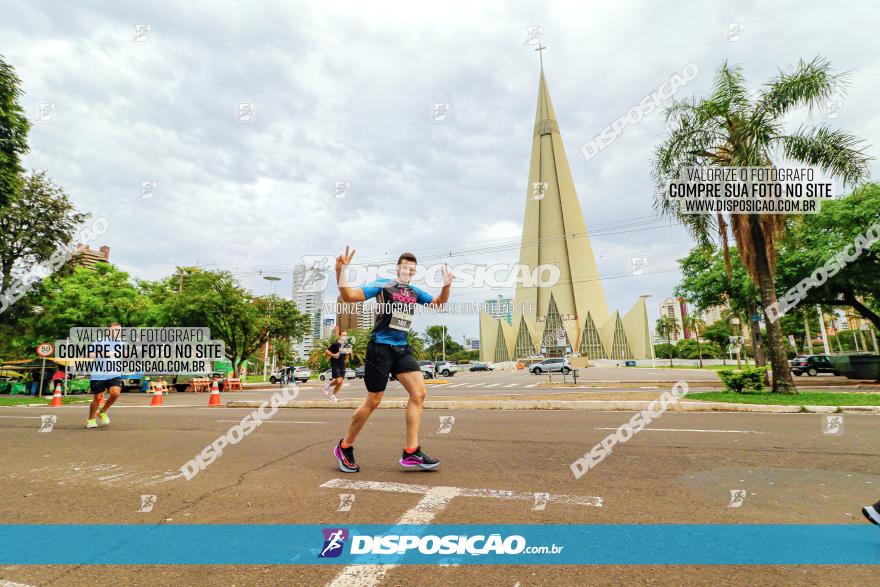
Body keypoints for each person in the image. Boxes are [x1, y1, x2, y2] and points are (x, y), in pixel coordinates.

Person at [332, 247, 453, 473]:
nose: (408, 272)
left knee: (419, 393)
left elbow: (439, 303)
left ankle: (411, 452)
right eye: (405, 268)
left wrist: (446, 285)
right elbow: (350, 296)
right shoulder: (383, 285)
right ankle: (344, 447)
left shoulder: (415, 292)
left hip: (402, 350)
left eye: (412, 270)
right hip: (380, 349)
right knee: (373, 401)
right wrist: (340, 271)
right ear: (398, 268)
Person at [86, 322, 124, 429]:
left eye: (119, 330)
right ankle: (91, 419)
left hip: (114, 372)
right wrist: (105, 353)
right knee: (97, 398)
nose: (118, 332)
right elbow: (89, 355)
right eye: (115, 330)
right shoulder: (99, 342)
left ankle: (102, 412)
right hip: (99, 373)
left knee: (115, 393)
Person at [323, 330, 349, 402]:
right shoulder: (335, 344)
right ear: (340, 336)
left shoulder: (347, 345)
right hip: (335, 364)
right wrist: (333, 355)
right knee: (338, 380)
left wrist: (347, 353)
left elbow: (346, 354)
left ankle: (333, 396)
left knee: (340, 382)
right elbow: (326, 351)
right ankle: (327, 386)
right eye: (343, 335)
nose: (345, 336)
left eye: (346, 335)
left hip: (342, 364)